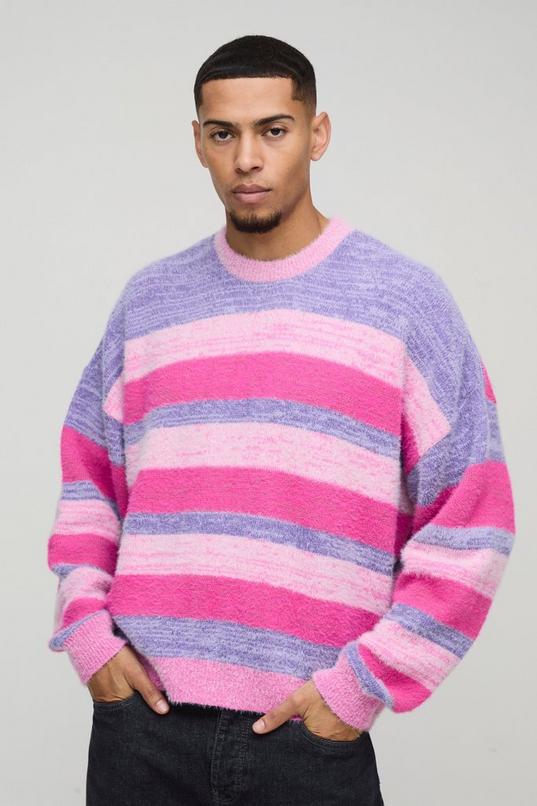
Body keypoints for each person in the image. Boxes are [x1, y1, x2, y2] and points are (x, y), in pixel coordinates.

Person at [46, 33, 516, 806]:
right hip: (141, 734)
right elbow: (88, 484)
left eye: (273, 130)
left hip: (307, 738)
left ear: (316, 133)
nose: (246, 159)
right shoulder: (149, 303)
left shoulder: (402, 303)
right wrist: (89, 637)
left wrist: (358, 689)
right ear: (197, 142)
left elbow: (474, 521)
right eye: (222, 134)